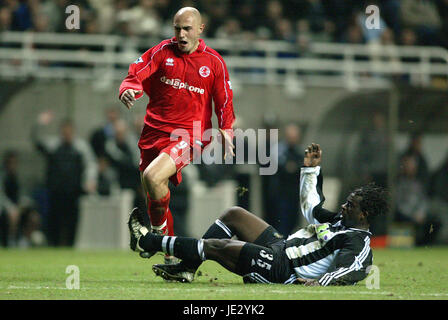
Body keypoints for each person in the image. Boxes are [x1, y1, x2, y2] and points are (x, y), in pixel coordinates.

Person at [127, 143, 389, 285]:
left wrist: (319, 282)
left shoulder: (358, 241)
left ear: (365, 214)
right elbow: (312, 209)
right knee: (234, 214)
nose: (344, 207)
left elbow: (353, 270)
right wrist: (310, 171)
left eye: (351, 205)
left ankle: (148, 241)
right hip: (281, 246)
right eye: (346, 202)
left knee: (218, 246)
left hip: (283, 269)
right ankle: (187, 269)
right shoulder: (340, 221)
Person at [118, 7, 235, 263]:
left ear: (200, 30)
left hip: (189, 135)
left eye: (187, 29)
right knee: (153, 189)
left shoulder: (214, 62)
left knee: (152, 176)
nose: (181, 34)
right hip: (153, 131)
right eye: (177, 28)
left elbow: (224, 99)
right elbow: (136, 73)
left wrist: (226, 127)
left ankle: (154, 237)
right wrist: (129, 89)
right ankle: (171, 257)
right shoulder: (162, 51)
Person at [32, 110, 97, 247]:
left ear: (73, 131)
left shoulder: (81, 147)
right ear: (61, 131)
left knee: (72, 222)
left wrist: (89, 180)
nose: (67, 132)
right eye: (64, 130)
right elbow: (37, 140)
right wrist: (40, 123)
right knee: (54, 221)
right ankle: (53, 246)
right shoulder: (53, 145)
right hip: (55, 190)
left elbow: (91, 165)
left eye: (69, 130)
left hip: (74, 191)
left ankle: (70, 246)